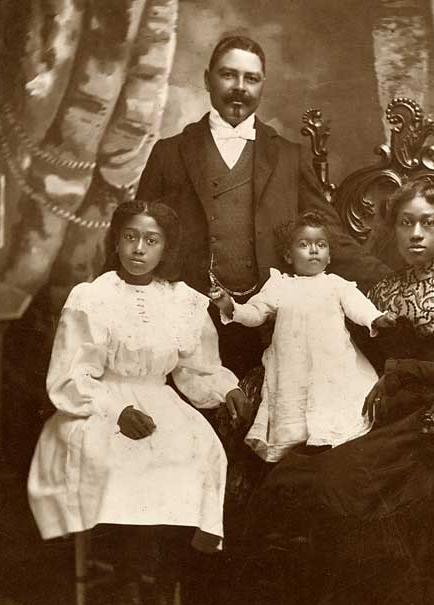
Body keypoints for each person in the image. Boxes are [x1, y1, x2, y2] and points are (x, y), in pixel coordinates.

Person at [240, 178, 434, 605]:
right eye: (406, 223)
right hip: (373, 415)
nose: (416, 234)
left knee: (342, 486)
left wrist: (408, 371)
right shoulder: (381, 290)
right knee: (294, 477)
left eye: (430, 223)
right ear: (393, 230)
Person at [27, 200, 247, 605]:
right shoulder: (91, 298)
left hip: (160, 401)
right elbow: (69, 377)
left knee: (195, 458)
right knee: (128, 467)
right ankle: (131, 598)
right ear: (116, 240)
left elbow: (196, 370)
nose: (138, 249)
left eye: (151, 239)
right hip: (98, 406)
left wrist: (225, 388)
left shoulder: (184, 302)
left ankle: (163, 589)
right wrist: (115, 409)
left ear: (166, 247)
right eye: (130, 237)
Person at [136, 34, 389, 379]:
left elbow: (332, 236)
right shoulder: (170, 152)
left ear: (262, 85)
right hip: (189, 324)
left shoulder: (288, 155)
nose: (240, 87)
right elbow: (136, 235)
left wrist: (393, 281)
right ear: (207, 79)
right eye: (228, 75)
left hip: (270, 325)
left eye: (250, 78)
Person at [210, 210, 396, 463]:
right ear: (289, 255)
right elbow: (256, 313)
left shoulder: (335, 284)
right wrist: (231, 307)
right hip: (292, 367)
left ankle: (330, 449)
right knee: (296, 418)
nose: (313, 250)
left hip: (333, 364)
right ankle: (301, 456)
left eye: (321, 245)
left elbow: (357, 306)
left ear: (329, 256)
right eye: (304, 244)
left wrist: (375, 318)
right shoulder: (280, 285)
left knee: (335, 417)